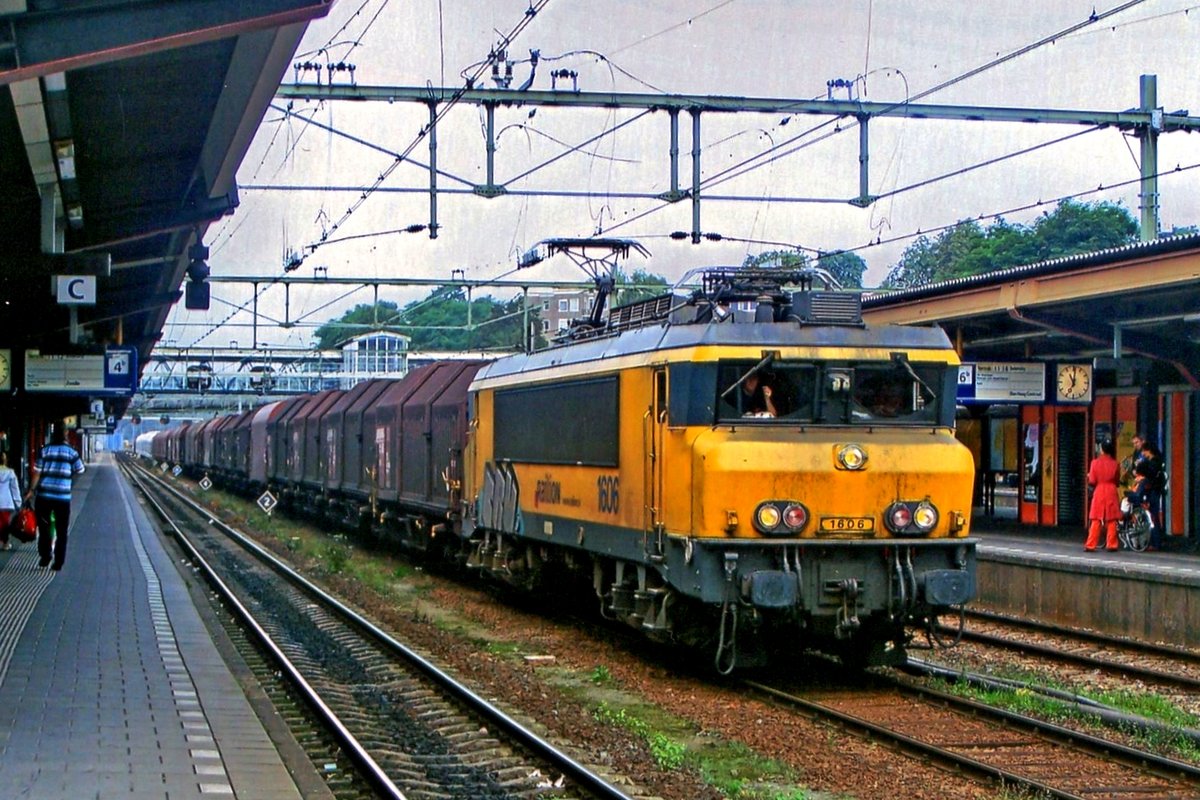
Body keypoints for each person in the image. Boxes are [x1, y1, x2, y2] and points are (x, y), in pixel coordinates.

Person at [24, 423, 85, 570]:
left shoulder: (45, 451)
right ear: (65, 433)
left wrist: (31, 490)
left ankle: (45, 556)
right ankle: (58, 562)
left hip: (44, 496)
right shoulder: (71, 452)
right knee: (62, 530)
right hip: (62, 498)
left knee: (44, 528)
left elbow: (37, 472)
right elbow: (80, 469)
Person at [1085, 438, 1121, 552]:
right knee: (1112, 519)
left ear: (1101, 450)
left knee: (1096, 518)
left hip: (1100, 490)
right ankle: (1112, 544)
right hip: (1111, 490)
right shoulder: (1115, 464)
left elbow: (1092, 480)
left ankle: (1091, 544)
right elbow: (1117, 480)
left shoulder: (1094, 463)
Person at [1131, 440, 1166, 550]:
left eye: (1144, 452)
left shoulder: (1153, 463)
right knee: (1153, 516)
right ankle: (1156, 541)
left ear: (1148, 451)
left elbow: (1149, 475)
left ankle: (1155, 543)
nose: (1144, 454)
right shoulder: (1156, 461)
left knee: (1153, 516)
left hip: (1152, 491)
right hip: (1155, 491)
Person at [0, 451, 20, 551]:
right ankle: (5, 543)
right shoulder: (10, 472)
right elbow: (14, 488)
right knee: (5, 523)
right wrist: (18, 502)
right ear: (5, 460)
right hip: (6, 502)